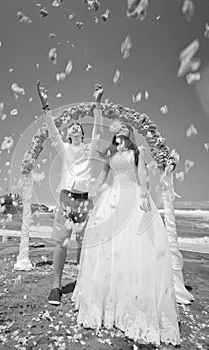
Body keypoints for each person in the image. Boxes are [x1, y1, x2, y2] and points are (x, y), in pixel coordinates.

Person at [72, 121, 180, 346]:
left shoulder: (136, 152)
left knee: (134, 248)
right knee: (109, 250)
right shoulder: (111, 152)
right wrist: (95, 190)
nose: (119, 129)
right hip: (112, 200)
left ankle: (132, 303)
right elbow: (103, 174)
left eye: (123, 127)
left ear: (129, 132)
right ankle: (105, 302)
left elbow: (142, 175)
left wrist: (144, 195)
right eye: (117, 128)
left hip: (132, 199)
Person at [37, 81, 104, 305]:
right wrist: (46, 106)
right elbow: (52, 131)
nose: (75, 128)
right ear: (69, 134)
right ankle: (56, 286)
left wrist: (97, 103)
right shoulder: (65, 149)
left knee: (84, 243)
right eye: (72, 127)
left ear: (82, 134)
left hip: (85, 200)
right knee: (61, 242)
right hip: (66, 198)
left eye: (79, 127)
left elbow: (98, 130)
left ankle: (82, 283)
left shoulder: (89, 149)